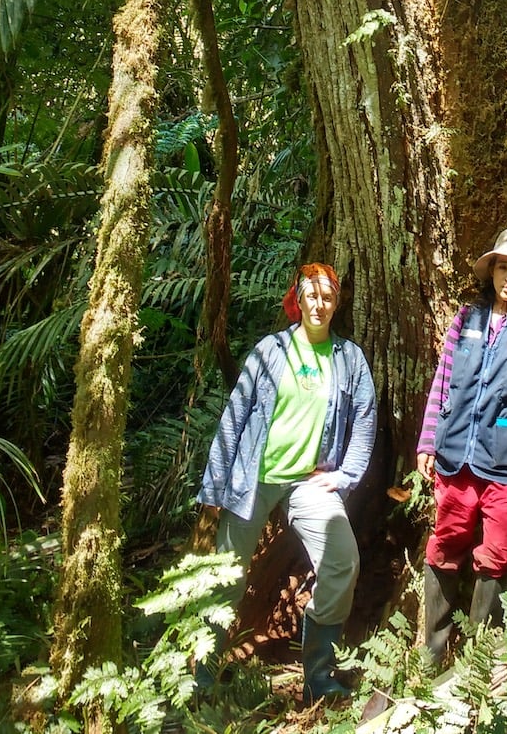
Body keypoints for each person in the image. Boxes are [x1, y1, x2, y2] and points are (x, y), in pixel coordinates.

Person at [196, 262, 377, 702]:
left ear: (336, 303)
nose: (319, 304)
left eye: (328, 297)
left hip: (309, 483)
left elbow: (365, 420)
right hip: (253, 479)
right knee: (224, 575)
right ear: (298, 300)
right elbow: (234, 417)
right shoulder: (269, 351)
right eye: (312, 295)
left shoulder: (347, 358)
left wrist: (345, 476)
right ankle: (203, 675)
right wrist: (216, 486)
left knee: (341, 562)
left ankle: (318, 675)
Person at [416, 227, 507, 665]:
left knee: (498, 552)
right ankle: (433, 655)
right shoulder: (466, 319)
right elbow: (443, 380)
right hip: (456, 453)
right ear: (492, 271)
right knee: (445, 543)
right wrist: (427, 440)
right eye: (503, 268)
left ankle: (477, 663)